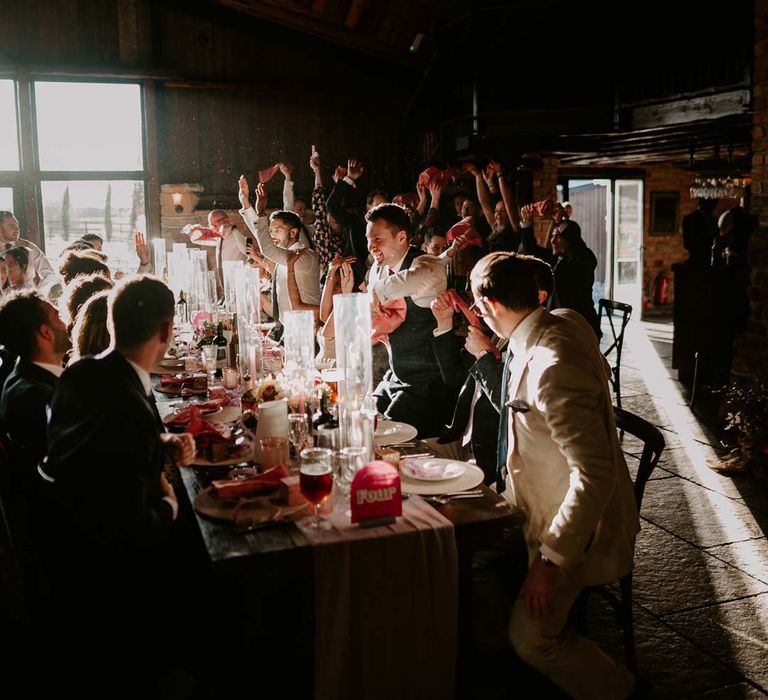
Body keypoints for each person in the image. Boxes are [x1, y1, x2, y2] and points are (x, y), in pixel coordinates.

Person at [469, 252, 639, 699]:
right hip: (526, 497)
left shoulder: (552, 363)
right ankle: (493, 657)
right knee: (462, 547)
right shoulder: (562, 319)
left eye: (479, 305)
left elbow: (594, 475)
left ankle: (622, 690)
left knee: (533, 639)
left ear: (489, 306)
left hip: (573, 527)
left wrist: (548, 563)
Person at [44, 275, 196, 694]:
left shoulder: (81, 374)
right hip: (116, 582)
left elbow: (103, 442)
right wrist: (171, 505)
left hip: (67, 548)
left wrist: (159, 441)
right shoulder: (127, 406)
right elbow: (134, 527)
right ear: (166, 332)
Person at [366, 203, 454, 437]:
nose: (371, 246)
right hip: (396, 376)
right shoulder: (378, 268)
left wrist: (375, 293)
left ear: (402, 236)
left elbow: (420, 277)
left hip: (428, 385)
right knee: (366, 419)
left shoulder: (426, 265)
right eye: (369, 239)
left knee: (389, 437)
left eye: (378, 238)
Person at [239, 176, 321, 331]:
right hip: (289, 328)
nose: (272, 235)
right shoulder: (283, 256)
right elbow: (263, 239)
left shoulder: (302, 256)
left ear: (293, 233)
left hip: (307, 329)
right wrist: (246, 205)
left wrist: (261, 212)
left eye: (277, 230)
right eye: (271, 231)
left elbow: (266, 248)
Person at [0, 211, 60, 298]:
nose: (17, 228)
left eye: (17, 225)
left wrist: (36, 292)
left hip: (28, 302)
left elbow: (50, 275)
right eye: (11, 225)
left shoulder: (29, 248)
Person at [682, 198, 719, 267]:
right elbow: (687, 244)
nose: (715, 206)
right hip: (695, 263)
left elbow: (717, 239)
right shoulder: (689, 219)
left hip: (711, 263)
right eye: (713, 203)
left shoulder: (714, 220)